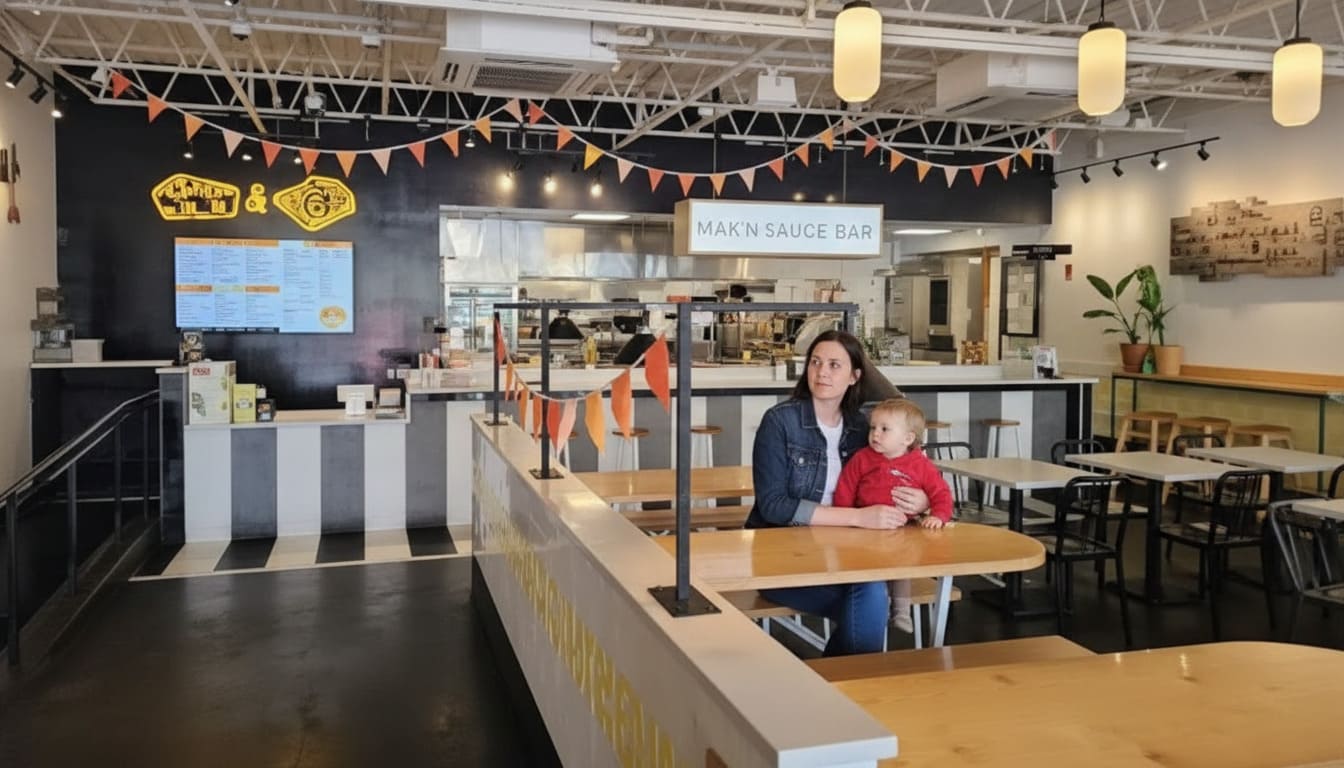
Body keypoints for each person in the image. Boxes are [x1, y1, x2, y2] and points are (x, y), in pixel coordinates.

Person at [747, 329, 931, 656]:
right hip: (782, 557)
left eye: (834, 365)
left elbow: (907, 471)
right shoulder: (779, 422)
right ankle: (851, 693)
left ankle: (834, 691)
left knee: (871, 592)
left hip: (847, 553)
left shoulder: (864, 428)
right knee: (871, 597)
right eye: (816, 362)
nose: (822, 372)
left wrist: (923, 501)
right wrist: (859, 517)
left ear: (854, 376)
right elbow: (773, 506)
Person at [833, 398, 954, 633]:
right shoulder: (862, 458)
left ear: (908, 438)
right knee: (866, 573)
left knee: (902, 569)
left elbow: (941, 492)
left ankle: (901, 611)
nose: (875, 434)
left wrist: (938, 515)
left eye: (884, 429)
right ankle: (869, 612)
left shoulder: (921, 464)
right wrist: (845, 517)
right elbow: (846, 488)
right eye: (873, 428)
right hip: (865, 528)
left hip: (903, 531)